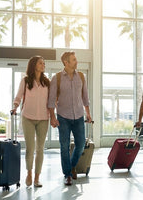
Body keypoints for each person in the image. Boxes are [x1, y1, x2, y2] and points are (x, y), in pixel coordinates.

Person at [48, 51, 92, 186]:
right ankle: (67, 174)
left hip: (79, 116)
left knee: (80, 145)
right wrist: (52, 117)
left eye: (75, 59)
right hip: (63, 117)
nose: (76, 61)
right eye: (73, 60)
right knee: (64, 146)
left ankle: (72, 165)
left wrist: (88, 113)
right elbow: (50, 100)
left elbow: (85, 97)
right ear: (66, 62)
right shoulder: (57, 78)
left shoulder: (81, 76)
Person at [11, 56, 50, 187]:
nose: (43, 65)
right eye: (40, 63)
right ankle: (29, 173)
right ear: (34, 65)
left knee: (40, 149)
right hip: (27, 117)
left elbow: (51, 101)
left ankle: (37, 178)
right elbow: (18, 96)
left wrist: (54, 115)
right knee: (30, 148)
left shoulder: (47, 82)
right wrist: (15, 106)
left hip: (43, 119)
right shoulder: (26, 80)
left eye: (44, 63)